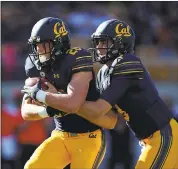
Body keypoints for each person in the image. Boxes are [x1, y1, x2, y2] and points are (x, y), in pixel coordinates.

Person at [21, 17, 118, 169]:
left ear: (58, 43)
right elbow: (26, 112)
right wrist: (48, 110)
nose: (38, 50)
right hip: (60, 134)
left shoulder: (77, 58)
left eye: (43, 44)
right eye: (36, 45)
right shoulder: (35, 65)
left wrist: (45, 96)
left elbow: (73, 104)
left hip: (89, 136)